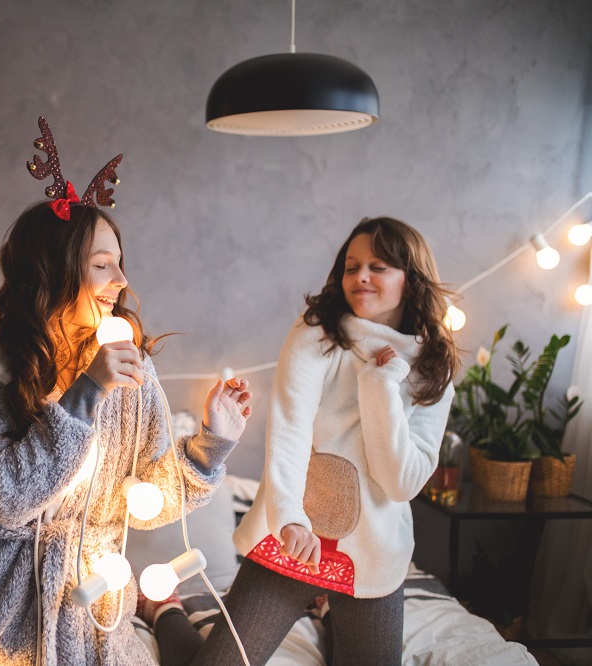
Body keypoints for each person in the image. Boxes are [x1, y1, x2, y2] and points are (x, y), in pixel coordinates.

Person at [0, 117, 252, 666]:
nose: (121, 282)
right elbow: (7, 499)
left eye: (120, 264)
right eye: (102, 266)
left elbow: (142, 505)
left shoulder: (132, 368)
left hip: (95, 615)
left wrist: (211, 446)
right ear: (49, 274)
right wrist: (83, 394)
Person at [146, 217, 460, 665]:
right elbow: (290, 428)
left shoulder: (431, 369)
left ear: (411, 280)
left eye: (379, 266)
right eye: (351, 267)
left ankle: (329, 609)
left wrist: (380, 386)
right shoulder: (318, 332)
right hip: (292, 534)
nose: (361, 277)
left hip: (370, 553)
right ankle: (164, 610)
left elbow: (400, 483)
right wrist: (290, 518)